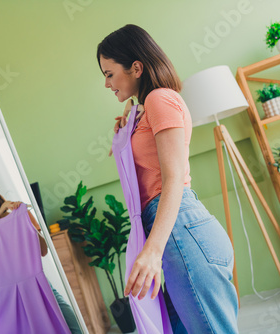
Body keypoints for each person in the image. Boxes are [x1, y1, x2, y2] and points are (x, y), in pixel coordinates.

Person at [97, 24, 239, 333]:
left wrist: (152, 252)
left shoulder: (161, 99)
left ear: (136, 67)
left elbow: (173, 179)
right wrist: (127, 133)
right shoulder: (146, 108)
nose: (107, 84)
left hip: (180, 230)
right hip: (172, 231)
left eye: (109, 74)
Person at [0, 183, 80, 334]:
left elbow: (43, 251)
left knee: (74, 327)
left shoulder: (20, 214)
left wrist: (24, 221)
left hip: (37, 285)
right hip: (8, 297)